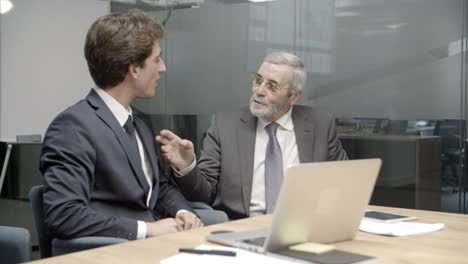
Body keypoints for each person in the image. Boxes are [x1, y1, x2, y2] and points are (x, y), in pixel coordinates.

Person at [40, 10, 202, 241]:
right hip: (116, 250)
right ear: (134, 69)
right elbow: (64, 214)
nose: (163, 68)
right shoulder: (72, 128)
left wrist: (183, 212)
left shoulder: (139, 124)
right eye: (157, 59)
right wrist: (147, 229)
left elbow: (160, 188)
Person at [157, 52, 348, 220]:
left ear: (294, 96)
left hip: (305, 226)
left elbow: (343, 183)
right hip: (242, 227)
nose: (259, 91)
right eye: (258, 80)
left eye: (272, 86)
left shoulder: (320, 124)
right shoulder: (225, 125)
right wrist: (187, 166)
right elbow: (205, 194)